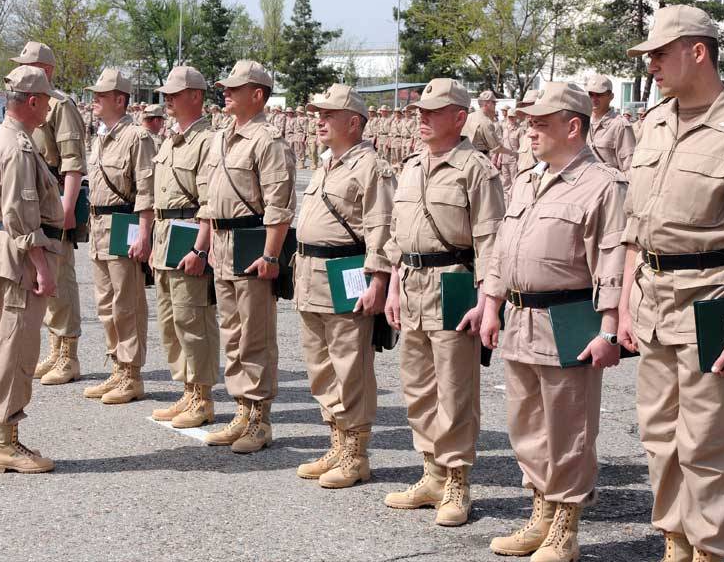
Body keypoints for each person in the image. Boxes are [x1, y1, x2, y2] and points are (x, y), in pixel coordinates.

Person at [617, 4, 724, 562]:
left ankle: (713, 551)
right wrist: (625, 302)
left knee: (708, 440)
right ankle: (676, 540)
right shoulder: (653, 122)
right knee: (659, 436)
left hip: (714, 299)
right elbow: (635, 227)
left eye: (659, 53)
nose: (650, 64)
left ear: (697, 51)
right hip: (653, 299)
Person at [479, 82, 627, 562]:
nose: (531, 131)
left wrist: (609, 330)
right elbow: (504, 249)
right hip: (521, 317)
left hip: (569, 318)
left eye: (541, 123)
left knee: (569, 427)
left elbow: (612, 263)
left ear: (573, 126)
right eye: (529, 123)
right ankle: (541, 511)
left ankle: (566, 523)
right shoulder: (527, 178)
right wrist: (490, 303)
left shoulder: (604, 184)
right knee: (526, 424)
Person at [382, 78, 505, 526]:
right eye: (420, 111)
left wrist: (487, 299)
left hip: (454, 282)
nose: (422, 118)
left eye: (433, 112)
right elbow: (397, 235)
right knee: (417, 387)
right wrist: (394, 284)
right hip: (411, 281)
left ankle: (457, 479)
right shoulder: (412, 165)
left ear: (459, 117)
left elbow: (491, 239)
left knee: (455, 389)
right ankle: (431, 472)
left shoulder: (475, 168)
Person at [294, 83, 396, 488]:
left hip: (347, 274)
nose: (319, 121)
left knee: (351, 366)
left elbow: (382, 227)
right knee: (321, 366)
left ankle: (356, 452)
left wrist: (379, 280)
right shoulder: (327, 163)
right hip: (311, 276)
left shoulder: (371, 167)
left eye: (328, 115)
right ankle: (337, 441)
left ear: (353, 122)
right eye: (318, 114)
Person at [202, 60, 296, 453]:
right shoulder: (222, 137)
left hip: (252, 244)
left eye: (235, 88)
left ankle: (259, 419)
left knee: (255, 335)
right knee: (233, 334)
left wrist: (271, 256)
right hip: (222, 245)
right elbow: (209, 197)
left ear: (257, 95)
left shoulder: (267, 140)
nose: (226, 92)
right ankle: (241, 410)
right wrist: (205, 244)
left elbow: (279, 204)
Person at [0, 65, 64, 473]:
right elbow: (20, 214)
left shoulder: (0, 138)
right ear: (32, 101)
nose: (48, 107)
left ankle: (4, 437)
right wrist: (41, 266)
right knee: (14, 348)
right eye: (46, 99)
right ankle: (4, 444)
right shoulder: (17, 147)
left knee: (3, 345)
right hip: (16, 257)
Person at [10, 41, 87, 387]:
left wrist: (68, 208)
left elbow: (73, 163)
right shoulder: (32, 102)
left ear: (46, 70)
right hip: (36, 197)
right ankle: (55, 348)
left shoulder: (60, 106)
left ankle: (68, 354)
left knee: (61, 275)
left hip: (55, 196)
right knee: (42, 275)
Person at [148, 66, 220, 428]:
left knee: (194, 320)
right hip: (165, 237)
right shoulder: (170, 139)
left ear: (196, 96)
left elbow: (209, 202)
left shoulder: (208, 141)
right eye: (167, 95)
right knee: (170, 321)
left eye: (175, 94)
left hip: (190, 235)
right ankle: (188, 390)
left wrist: (202, 249)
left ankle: (203, 397)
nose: (168, 101)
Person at [82, 68, 155, 404]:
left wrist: (144, 232)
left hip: (123, 225)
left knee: (127, 304)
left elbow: (146, 189)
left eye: (101, 94)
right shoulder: (101, 135)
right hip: (99, 227)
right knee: (105, 304)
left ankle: (131, 373)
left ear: (120, 99)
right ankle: (116, 368)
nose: (94, 99)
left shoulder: (136, 137)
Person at [585, 75, 636, 174]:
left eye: (599, 94)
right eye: (591, 94)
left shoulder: (620, 125)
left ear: (611, 97)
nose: (594, 99)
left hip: (608, 187)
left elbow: (628, 167)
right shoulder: (582, 122)